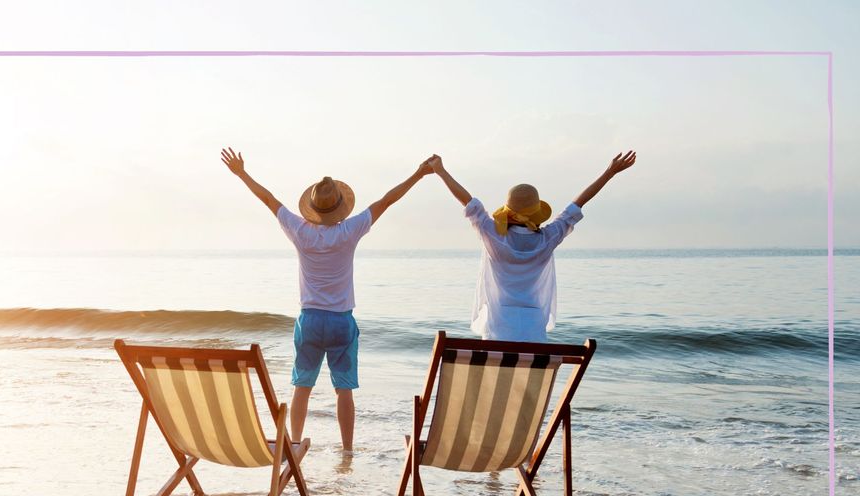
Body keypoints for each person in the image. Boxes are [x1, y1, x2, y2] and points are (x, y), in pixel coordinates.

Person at [221, 147, 436, 452]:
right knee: (344, 390)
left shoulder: (299, 230)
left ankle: (294, 443)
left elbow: (269, 200)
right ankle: (347, 450)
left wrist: (242, 173)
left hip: (310, 319)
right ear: (340, 207)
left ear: (312, 207)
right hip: (340, 321)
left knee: (302, 386)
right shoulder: (349, 230)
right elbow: (387, 201)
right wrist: (418, 174)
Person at [428, 152, 637, 342]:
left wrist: (441, 172)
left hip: (497, 328)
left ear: (508, 212)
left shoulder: (492, 236)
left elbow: (469, 203)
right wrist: (609, 172)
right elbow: (577, 204)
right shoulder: (548, 238)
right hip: (533, 330)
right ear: (536, 213)